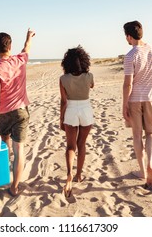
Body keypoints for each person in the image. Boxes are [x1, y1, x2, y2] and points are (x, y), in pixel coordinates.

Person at [0, 28, 36, 197]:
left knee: (5, 145)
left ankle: (4, 175)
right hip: (21, 111)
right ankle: (15, 186)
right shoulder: (20, 60)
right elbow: (26, 47)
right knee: (19, 150)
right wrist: (29, 37)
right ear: (10, 46)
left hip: (3, 114)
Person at [122, 20, 152, 191]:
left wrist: (124, 104)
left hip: (134, 99)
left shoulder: (131, 55)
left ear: (129, 36)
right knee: (151, 133)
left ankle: (142, 170)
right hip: (151, 97)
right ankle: (150, 164)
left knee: (137, 135)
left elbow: (128, 84)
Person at [59, 46, 94, 198]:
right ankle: (79, 174)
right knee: (82, 144)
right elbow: (92, 86)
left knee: (70, 146)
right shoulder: (89, 76)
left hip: (71, 110)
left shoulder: (63, 79)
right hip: (85, 109)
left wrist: (61, 119)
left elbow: (63, 101)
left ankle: (69, 175)